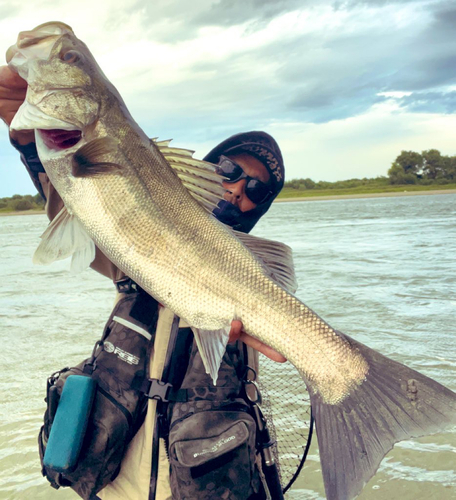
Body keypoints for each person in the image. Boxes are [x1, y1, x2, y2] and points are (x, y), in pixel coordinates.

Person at [0, 65, 288, 499]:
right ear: (205, 171)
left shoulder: (256, 283)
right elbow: (84, 203)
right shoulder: (131, 254)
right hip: (119, 486)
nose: (237, 190)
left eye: (257, 189)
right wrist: (31, 145)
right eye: (229, 170)